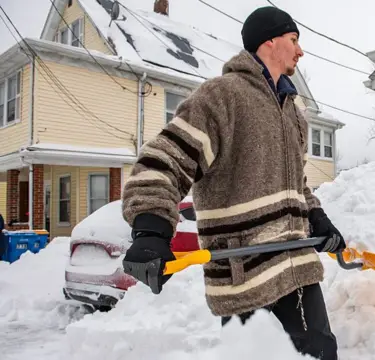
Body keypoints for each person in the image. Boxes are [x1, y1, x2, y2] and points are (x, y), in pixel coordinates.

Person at [120, 6, 345, 360]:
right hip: (243, 270)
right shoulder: (221, 97)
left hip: (296, 266)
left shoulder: (292, 111)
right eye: (294, 40)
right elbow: (165, 159)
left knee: (321, 352)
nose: (300, 51)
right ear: (269, 41)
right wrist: (150, 229)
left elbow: (296, 183)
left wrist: (318, 219)